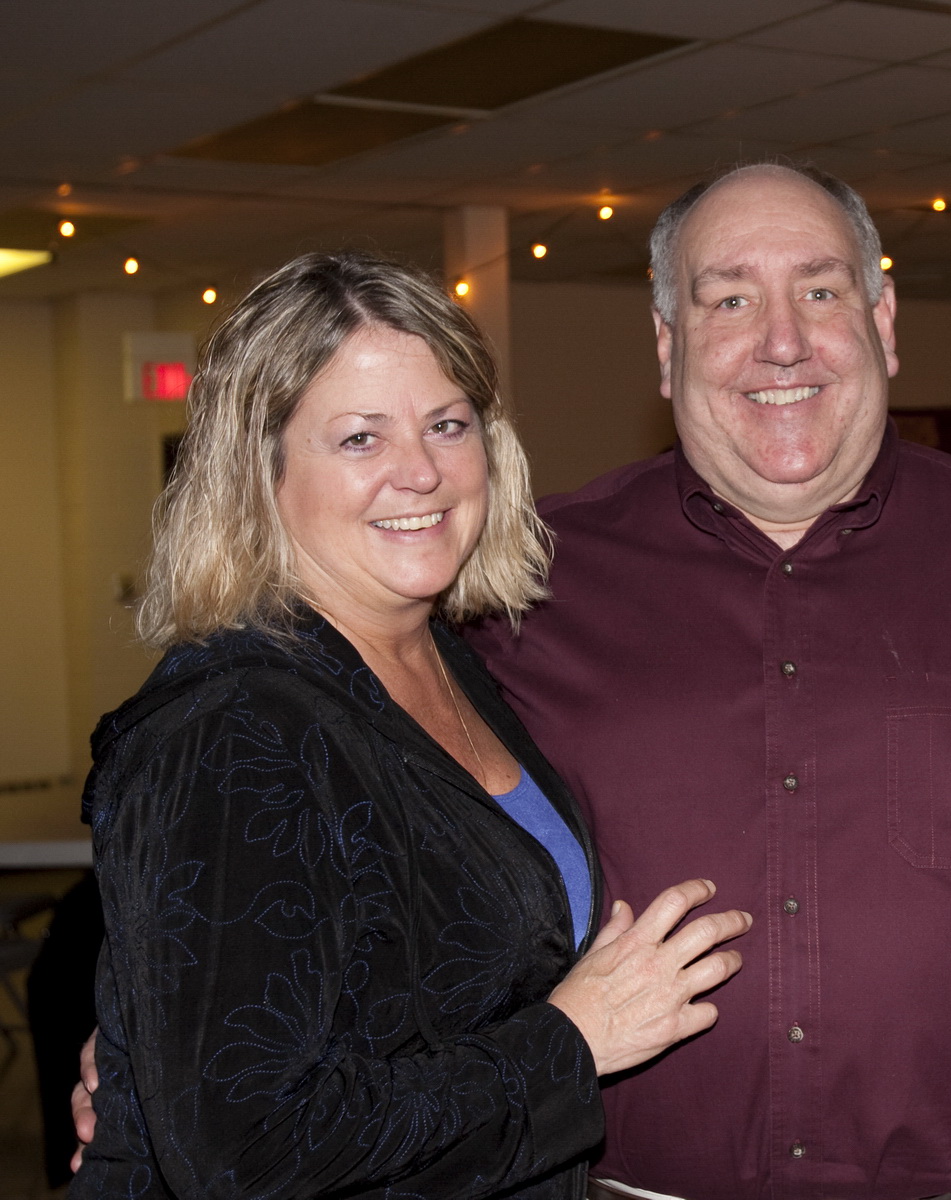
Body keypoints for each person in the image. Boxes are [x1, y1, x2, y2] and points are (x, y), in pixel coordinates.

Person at [467, 163, 951, 1200]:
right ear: (668, 345)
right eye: (729, 300)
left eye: (819, 290)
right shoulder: (523, 585)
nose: (782, 340)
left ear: (883, 322)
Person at [70, 253, 751, 1198]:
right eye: (360, 438)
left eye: (446, 424)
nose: (421, 471)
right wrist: (569, 1043)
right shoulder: (232, 730)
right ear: (260, 471)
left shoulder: (452, 661)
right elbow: (242, 1153)